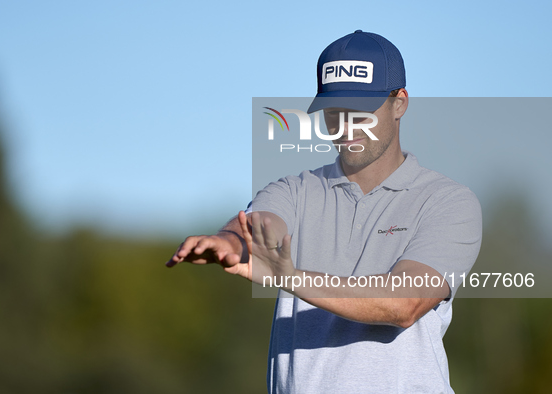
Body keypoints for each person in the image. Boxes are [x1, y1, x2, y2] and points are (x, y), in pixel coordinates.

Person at [167, 30, 482, 393]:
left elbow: (404, 302)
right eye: (334, 111)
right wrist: (230, 242)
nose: (346, 125)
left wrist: (290, 275)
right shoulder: (293, 190)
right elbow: (258, 229)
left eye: (361, 109)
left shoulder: (448, 201)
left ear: (400, 103)